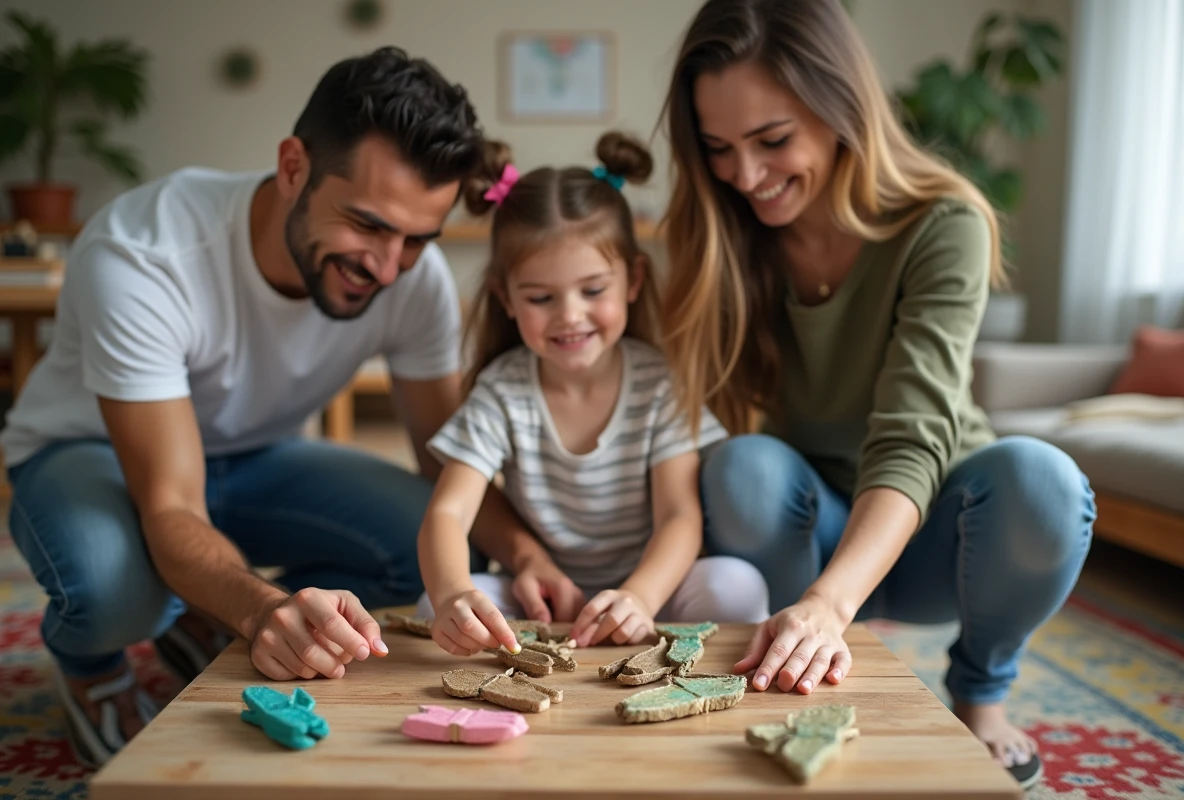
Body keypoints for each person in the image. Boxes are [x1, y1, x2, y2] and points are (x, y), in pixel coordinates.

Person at [1, 47, 528, 767]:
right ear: (292, 168)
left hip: (256, 457)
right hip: (94, 457)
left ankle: (205, 618)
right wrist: (259, 610)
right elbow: (171, 507)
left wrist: (529, 554)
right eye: (367, 225)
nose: (387, 266)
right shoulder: (142, 253)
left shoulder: (415, 276)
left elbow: (446, 455)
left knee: (441, 543)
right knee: (113, 585)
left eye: (417, 239)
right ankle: (96, 667)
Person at [655, 0, 1096, 789]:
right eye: (719, 148)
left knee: (1044, 482)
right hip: (805, 532)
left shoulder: (944, 221)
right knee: (743, 466)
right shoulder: (727, 230)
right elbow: (679, 421)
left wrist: (831, 602)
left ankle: (980, 696)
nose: (746, 176)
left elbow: (913, 435)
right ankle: (799, 669)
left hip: (942, 541)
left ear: (840, 108)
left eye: (773, 140)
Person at [412, 132, 769, 655]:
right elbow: (448, 513)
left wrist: (639, 598)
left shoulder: (659, 383)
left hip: (651, 594)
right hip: (544, 600)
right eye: (540, 297)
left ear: (633, 280)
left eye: (593, 290)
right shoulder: (501, 390)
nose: (570, 315)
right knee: (431, 605)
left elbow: (679, 517)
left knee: (737, 586)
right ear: (505, 298)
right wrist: (452, 596)